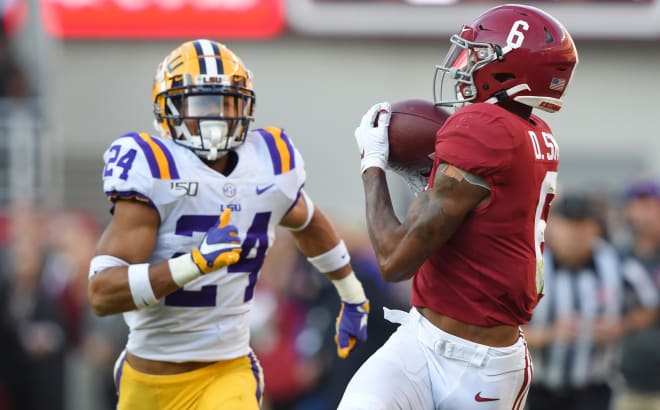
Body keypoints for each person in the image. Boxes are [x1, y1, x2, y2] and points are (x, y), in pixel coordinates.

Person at [86, 39, 370, 410]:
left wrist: (352, 295)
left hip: (226, 370)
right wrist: (194, 264)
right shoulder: (153, 167)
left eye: (227, 101)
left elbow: (310, 221)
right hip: (149, 376)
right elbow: (102, 294)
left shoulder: (267, 163)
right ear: (169, 107)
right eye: (202, 103)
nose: (217, 115)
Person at [339, 4, 578, 409]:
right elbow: (478, 218)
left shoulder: (485, 128)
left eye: (479, 54)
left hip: (480, 367)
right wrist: (427, 186)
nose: (465, 64)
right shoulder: (534, 131)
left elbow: (395, 261)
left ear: (509, 70)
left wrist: (371, 164)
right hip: (421, 341)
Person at [522, 193, 658, 410]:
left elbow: (650, 305)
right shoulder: (529, 266)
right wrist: (549, 335)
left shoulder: (615, 263)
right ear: (552, 226)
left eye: (582, 225)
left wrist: (621, 327)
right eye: (567, 225)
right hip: (537, 386)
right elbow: (498, 326)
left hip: (594, 388)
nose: (574, 234)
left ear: (594, 228)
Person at [615, 179, 660, 410]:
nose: (645, 213)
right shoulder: (616, 257)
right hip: (626, 381)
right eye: (638, 205)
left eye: (651, 205)